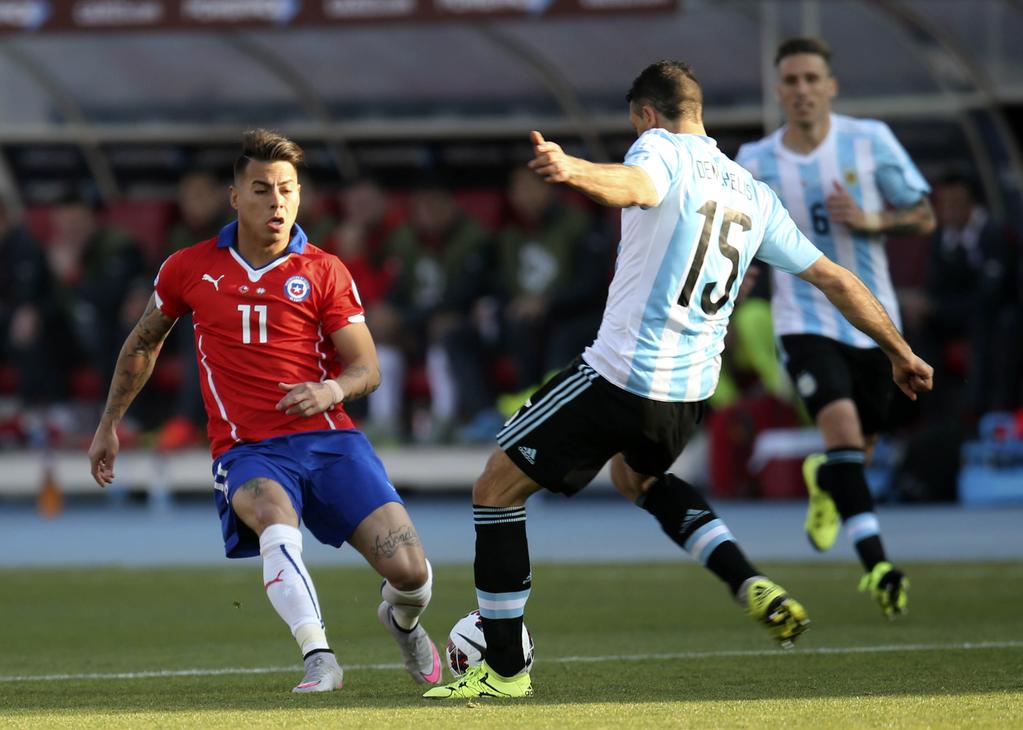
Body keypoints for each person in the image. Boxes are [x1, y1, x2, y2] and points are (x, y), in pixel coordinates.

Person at [425, 60, 933, 700]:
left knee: (496, 488)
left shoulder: (660, 148)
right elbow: (836, 277)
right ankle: (743, 576)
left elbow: (636, 184)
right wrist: (899, 350)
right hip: (687, 398)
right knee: (637, 477)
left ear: (645, 113)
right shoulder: (752, 190)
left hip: (620, 375)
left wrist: (573, 169)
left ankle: (502, 670)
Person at [87, 130, 442, 694]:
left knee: (412, 574)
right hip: (248, 449)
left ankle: (401, 620)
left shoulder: (325, 271)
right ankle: (319, 656)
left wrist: (329, 391)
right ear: (235, 197)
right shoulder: (188, 268)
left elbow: (367, 368)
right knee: (276, 522)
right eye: (261, 189)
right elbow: (143, 343)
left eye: (287, 190)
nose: (276, 202)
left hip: (331, 442)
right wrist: (108, 424)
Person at [735, 37, 936, 618]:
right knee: (844, 433)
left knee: (859, 448)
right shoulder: (754, 160)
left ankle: (825, 478)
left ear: (831, 86)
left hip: (873, 320)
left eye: (811, 79)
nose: (801, 90)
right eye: (791, 81)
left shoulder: (869, 141)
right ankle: (876, 562)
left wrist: (872, 219)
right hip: (802, 321)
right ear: (779, 92)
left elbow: (922, 214)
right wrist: (737, 287)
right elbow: (742, 243)